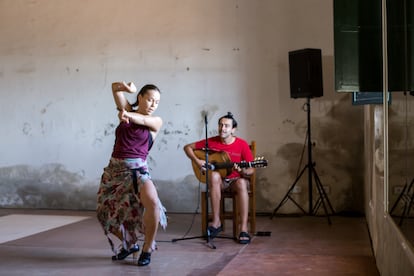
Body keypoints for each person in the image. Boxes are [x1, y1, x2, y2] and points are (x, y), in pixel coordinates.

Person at [96, 81, 167, 267]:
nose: (153, 105)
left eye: (157, 102)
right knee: (105, 214)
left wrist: (125, 114)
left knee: (152, 201)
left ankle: (148, 246)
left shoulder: (155, 121)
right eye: (150, 100)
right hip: (115, 171)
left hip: (138, 170)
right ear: (140, 98)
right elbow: (113, 87)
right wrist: (128, 89)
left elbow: (142, 120)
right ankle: (130, 243)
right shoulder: (129, 110)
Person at [183, 112, 254, 244]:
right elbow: (187, 147)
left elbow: (251, 169)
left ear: (233, 129)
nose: (223, 128)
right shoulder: (211, 141)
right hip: (219, 182)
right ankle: (216, 221)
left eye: (227, 126)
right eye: (221, 125)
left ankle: (243, 228)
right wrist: (198, 162)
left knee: (242, 183)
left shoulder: (242, 144)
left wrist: (243, 170)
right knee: (215, 175)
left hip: (235, 181)